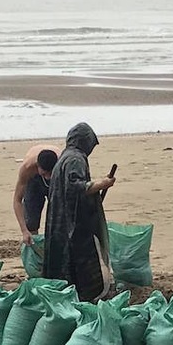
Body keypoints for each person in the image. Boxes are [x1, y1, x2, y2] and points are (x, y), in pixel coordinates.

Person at [42, 122, 115, 302]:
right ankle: (83, 297)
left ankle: (64, 295)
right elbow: (75, 187)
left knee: (61, 263)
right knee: (78, 264)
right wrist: (102, 184)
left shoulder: (65, 157)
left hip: (59, 220)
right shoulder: (75, 159)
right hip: (73, 223)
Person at [12, 144, 60, 245]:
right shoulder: (27, 168)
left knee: (57, 216)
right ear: (38, 166)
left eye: (50, 174)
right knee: (31, 219)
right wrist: (24, 231)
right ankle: (32, 242)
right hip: (33, 179)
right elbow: (17, 200)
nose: (47, 177)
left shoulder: (62, 165)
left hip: (57, 175)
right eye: (44, 174)